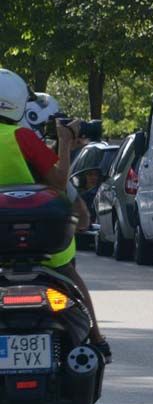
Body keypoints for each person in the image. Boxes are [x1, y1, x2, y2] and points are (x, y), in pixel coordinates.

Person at [0, 69, 110, 361]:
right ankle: (97, 338)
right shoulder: (20, 136)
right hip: (37, 240)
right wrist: (63, 141)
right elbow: (58, 181)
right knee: (70, 278)